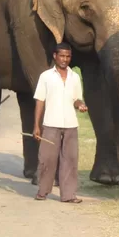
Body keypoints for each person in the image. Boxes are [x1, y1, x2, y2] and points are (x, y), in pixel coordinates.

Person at [32, 42, 87, 203]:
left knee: (70, 160)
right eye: (62, 56)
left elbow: (76, 99)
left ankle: (68, 195)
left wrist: (80, 105)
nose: (65, 59)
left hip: (70, 125)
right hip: (51, 124)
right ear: (55, 56)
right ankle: (43, 191)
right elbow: (40, 101)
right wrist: (36, 125)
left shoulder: (74, 77)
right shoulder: (46, 76)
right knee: (47, 159)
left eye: (68, 56)